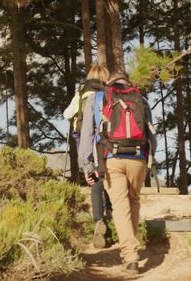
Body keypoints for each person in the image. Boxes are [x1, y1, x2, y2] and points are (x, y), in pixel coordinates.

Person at [78, 71, 157, 275]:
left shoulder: (98, 98)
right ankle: (131, 245)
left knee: (120, 206)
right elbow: (151, 134)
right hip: (138, 158)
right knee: (134, 200)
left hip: (112, 158)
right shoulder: (141, 98)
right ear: (127, 81)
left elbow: (87, 135)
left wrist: (87, 166)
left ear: (109, 83)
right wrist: (148, 160)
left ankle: (131, 258)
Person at [63, 65, 112, 249]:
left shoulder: (81, 92)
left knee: (95, 180)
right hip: (107, 142)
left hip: (86, 141)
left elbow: (66, 114)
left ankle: (98, 220)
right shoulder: (109, 92)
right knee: (110, 177)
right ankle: (112, 217)